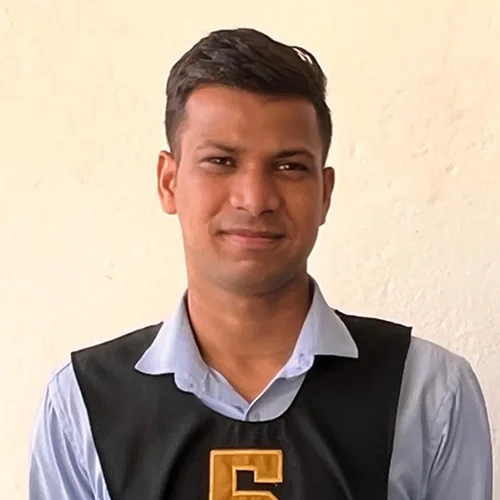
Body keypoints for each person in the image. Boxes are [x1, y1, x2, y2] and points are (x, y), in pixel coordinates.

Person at [29, 28, 492, 500]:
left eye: (289, 166)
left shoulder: (429, 392)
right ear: (169, 182)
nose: (254, 199)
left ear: (325, 193)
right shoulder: (82, 405)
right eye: (221, 161)